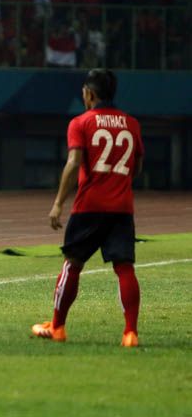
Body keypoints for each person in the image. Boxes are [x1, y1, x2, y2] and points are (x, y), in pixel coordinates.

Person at [33, 68, 143, 347]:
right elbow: (137, 166)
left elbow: (73, 164)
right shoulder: (132, 123)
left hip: (89, 206)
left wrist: (58, 203)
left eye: (84, 92)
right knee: (125, 268)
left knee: (72, 264)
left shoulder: (80, 122)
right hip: (122, 208)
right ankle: (130, 333)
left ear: (90, 94)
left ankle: (57, 327)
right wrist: (118, 184)